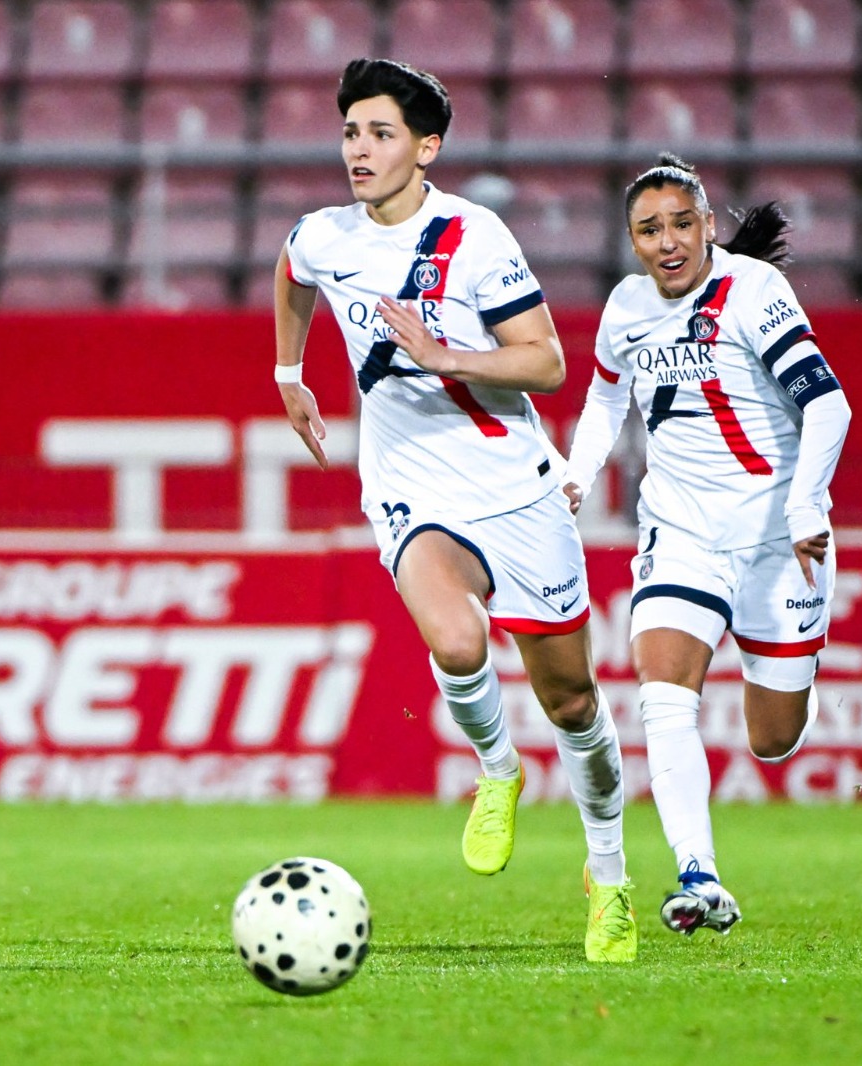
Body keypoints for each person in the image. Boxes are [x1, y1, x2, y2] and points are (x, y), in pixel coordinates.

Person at [272, 58, 635, 962]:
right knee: (459, 642)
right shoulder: (328, 234)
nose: (359, 149)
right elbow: (291, 269)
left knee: (574, 701)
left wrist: (445, 356)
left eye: (381, 133)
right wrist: (289, 372)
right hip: (408, 479)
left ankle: (609, 876)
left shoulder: (475, 238)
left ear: (426, 148)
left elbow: (546, 361)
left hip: (515, 485)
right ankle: (498, 771)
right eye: (351, 131)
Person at [563, 154, 852, 936]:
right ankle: (700, 875)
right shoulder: (626, 308)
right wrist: (579, 473)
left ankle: (798, 669)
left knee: (772, 740)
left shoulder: (755, 293)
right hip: (680, 529)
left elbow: (828, 406)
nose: (667, 242)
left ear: (709, 225)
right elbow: (601, 396)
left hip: (773, 538)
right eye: (648, 229)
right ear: (631, 239)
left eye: (681, 224)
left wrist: (805, 506)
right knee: (662, 695)